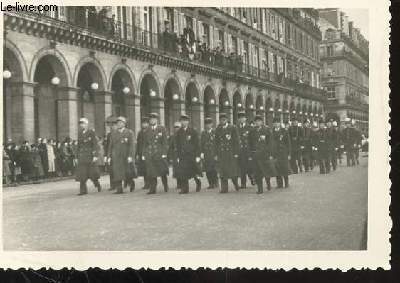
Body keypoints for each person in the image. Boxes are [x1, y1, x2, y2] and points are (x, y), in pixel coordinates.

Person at [107, 116, 136, 194]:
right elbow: (110, 146)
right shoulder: (113, 133)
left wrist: (130, 156)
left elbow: (132, 145)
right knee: (117, 172)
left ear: (124, 124)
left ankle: (131, 182)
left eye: (121, 123)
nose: (119, 124)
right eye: (118, 123)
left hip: (125, 156)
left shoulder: (129, 132)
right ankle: (119, 189)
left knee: (127, 172)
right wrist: (109, 156)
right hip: (116, 156)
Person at [142, 113, 169, 194]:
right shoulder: (147, 130)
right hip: (150, 154)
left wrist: (164, 153)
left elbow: (165, 142)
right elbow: (145, 143)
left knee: (162, 171)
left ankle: (165, 185)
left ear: (157, 120)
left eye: (154, 119)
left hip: (159, 153)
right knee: (152, 172)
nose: (152, 120)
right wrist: (144, 153)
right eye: (151, 119)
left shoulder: (162, 128)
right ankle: (152, 189)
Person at [175, 114, 202, 194]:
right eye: (182, 121)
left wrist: (198, 155)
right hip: (183, 156)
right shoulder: (179, 132)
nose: (183, 122)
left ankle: (198, 183)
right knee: (183, 173)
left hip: (192, 155)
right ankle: (185, 189)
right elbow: (178, 145)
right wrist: (178, 156)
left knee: (194, 172)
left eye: (185, 121)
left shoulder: (193, 131)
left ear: (188, 122)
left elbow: (197, 144)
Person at [75, 117, 102, 195]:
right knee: (82, 174)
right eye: (80, 124)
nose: (81, 125)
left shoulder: (91, 132)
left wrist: (95, 155)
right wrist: (76, 157)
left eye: (83, 123)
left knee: (92, 174)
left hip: (90, 156)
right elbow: (78, 146)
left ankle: (97, 184)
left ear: (87, 124)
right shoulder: (80, 133)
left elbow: (95, 144)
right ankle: (83, 191)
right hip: (82, 156)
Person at [215, 112, 240, 193]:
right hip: (222, 153)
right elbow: (216, 142)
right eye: (221, 120)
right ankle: (224, 188)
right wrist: (215, 154)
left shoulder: (232, 128)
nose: (222, 121)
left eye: (224, 119)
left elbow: (236, 141)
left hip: (230, 153)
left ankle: (236, 184)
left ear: (227, 120)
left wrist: (236, 152)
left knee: (232, 172)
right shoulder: (218, 129)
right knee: (222, 172)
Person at [251, 115, 276, 193]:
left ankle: (268, 184)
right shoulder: (252, 131)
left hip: (265, 154)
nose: (257, 122)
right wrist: (251, 153)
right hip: (256, 155)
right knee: (257, 172)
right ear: (254, 122)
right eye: (256, 121)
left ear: (262, 122)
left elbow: (270, 143)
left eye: (259, 121)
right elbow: (250, 143)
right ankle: (260, 189)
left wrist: (270, 153)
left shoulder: (266, 130)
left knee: (266, 171)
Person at [236, 111, 255, 189]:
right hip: (240, 151)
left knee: (250, 167)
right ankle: (243, 183)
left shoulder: (249, 128)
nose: (241, 119)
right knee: (242, 168)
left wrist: (252, 150)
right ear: (238, 119)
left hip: (248, 150)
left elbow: (252, 140)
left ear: (245, 119)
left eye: (243, 118)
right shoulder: (236, 128)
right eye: (240, 118)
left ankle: (252, 178)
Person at [272, 117, 291, 188]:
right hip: (275, 153)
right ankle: (279, 184)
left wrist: (289, 153)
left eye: (277, 122)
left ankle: (286, 183)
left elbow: (288, 143)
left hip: (283, 153)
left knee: (285, 168)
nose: (276, 124)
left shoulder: (284, 131)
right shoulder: (271, 132)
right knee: (277, 168)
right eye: (275, 123)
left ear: (280, 123)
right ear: (273, 124)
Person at [200, 117, 219, 189]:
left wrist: (217, 154)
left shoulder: (215, 132)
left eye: (209, 124)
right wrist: (201, 153)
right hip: (206, 154)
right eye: (206, 124)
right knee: (207, 169)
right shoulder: (203, 133)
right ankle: (210, 183)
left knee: (214, 169)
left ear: (212, 124)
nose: (208, 125)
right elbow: (201, 144)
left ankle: (215, 181)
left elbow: (217, 143)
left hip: (213, 153)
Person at [136, 117, 150, 190]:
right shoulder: (140, 133)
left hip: (148, 153)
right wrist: (137, 154)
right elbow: (138, 144)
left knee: (149, 168)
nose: (144, 124)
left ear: (148, 124)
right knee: (144, 169)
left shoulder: (150, 131)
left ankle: (150, 183)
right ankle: (146, 183)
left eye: (145, 123)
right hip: (141, 153)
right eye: (143, 123)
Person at [104, 116, 118, 190]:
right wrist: (106, 155)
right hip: (111, 155)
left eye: (114, 125)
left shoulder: (119, 133)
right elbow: (107, 146)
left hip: (118, 155)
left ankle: (119, 184)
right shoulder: (109, 135)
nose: (112, 127)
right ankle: (112, 185)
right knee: (111, 170)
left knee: (117, 170)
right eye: (111, 125)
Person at [168, 121, 182, 190]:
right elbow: (170, 147)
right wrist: (170, 157)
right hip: (175, 154)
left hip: (182, 154)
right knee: (176, 170)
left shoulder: (183, 135)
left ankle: (183, 184)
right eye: (175, 127)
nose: (176, 129)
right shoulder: (172, 136)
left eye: (178, 127)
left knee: (182, 169)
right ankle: (178, 184)